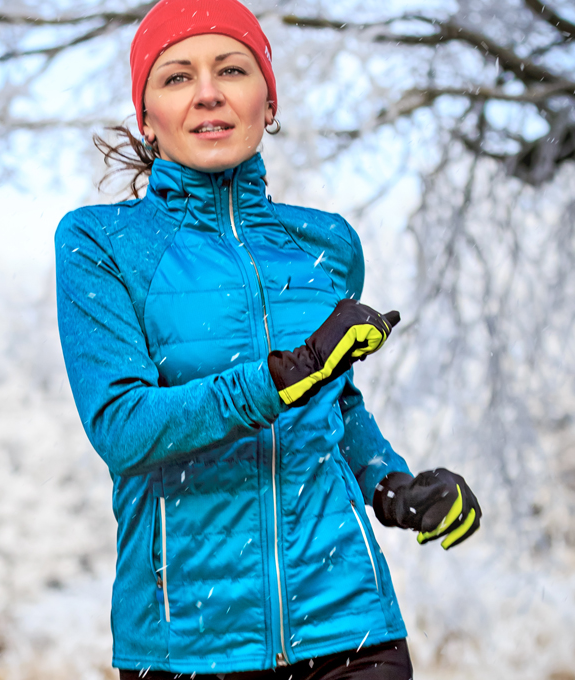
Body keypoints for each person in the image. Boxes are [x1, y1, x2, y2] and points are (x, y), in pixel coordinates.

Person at [54, 1, 483, 678]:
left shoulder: (326, 245)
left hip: (351, 627)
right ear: (147, 118)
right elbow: (124, 428)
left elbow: (334, 405)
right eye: (175, 78)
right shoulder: (102, 245)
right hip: (191, 645)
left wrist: (394, 484)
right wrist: (288, 372)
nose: (208, 93)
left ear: (268, 101)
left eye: (232, 69)